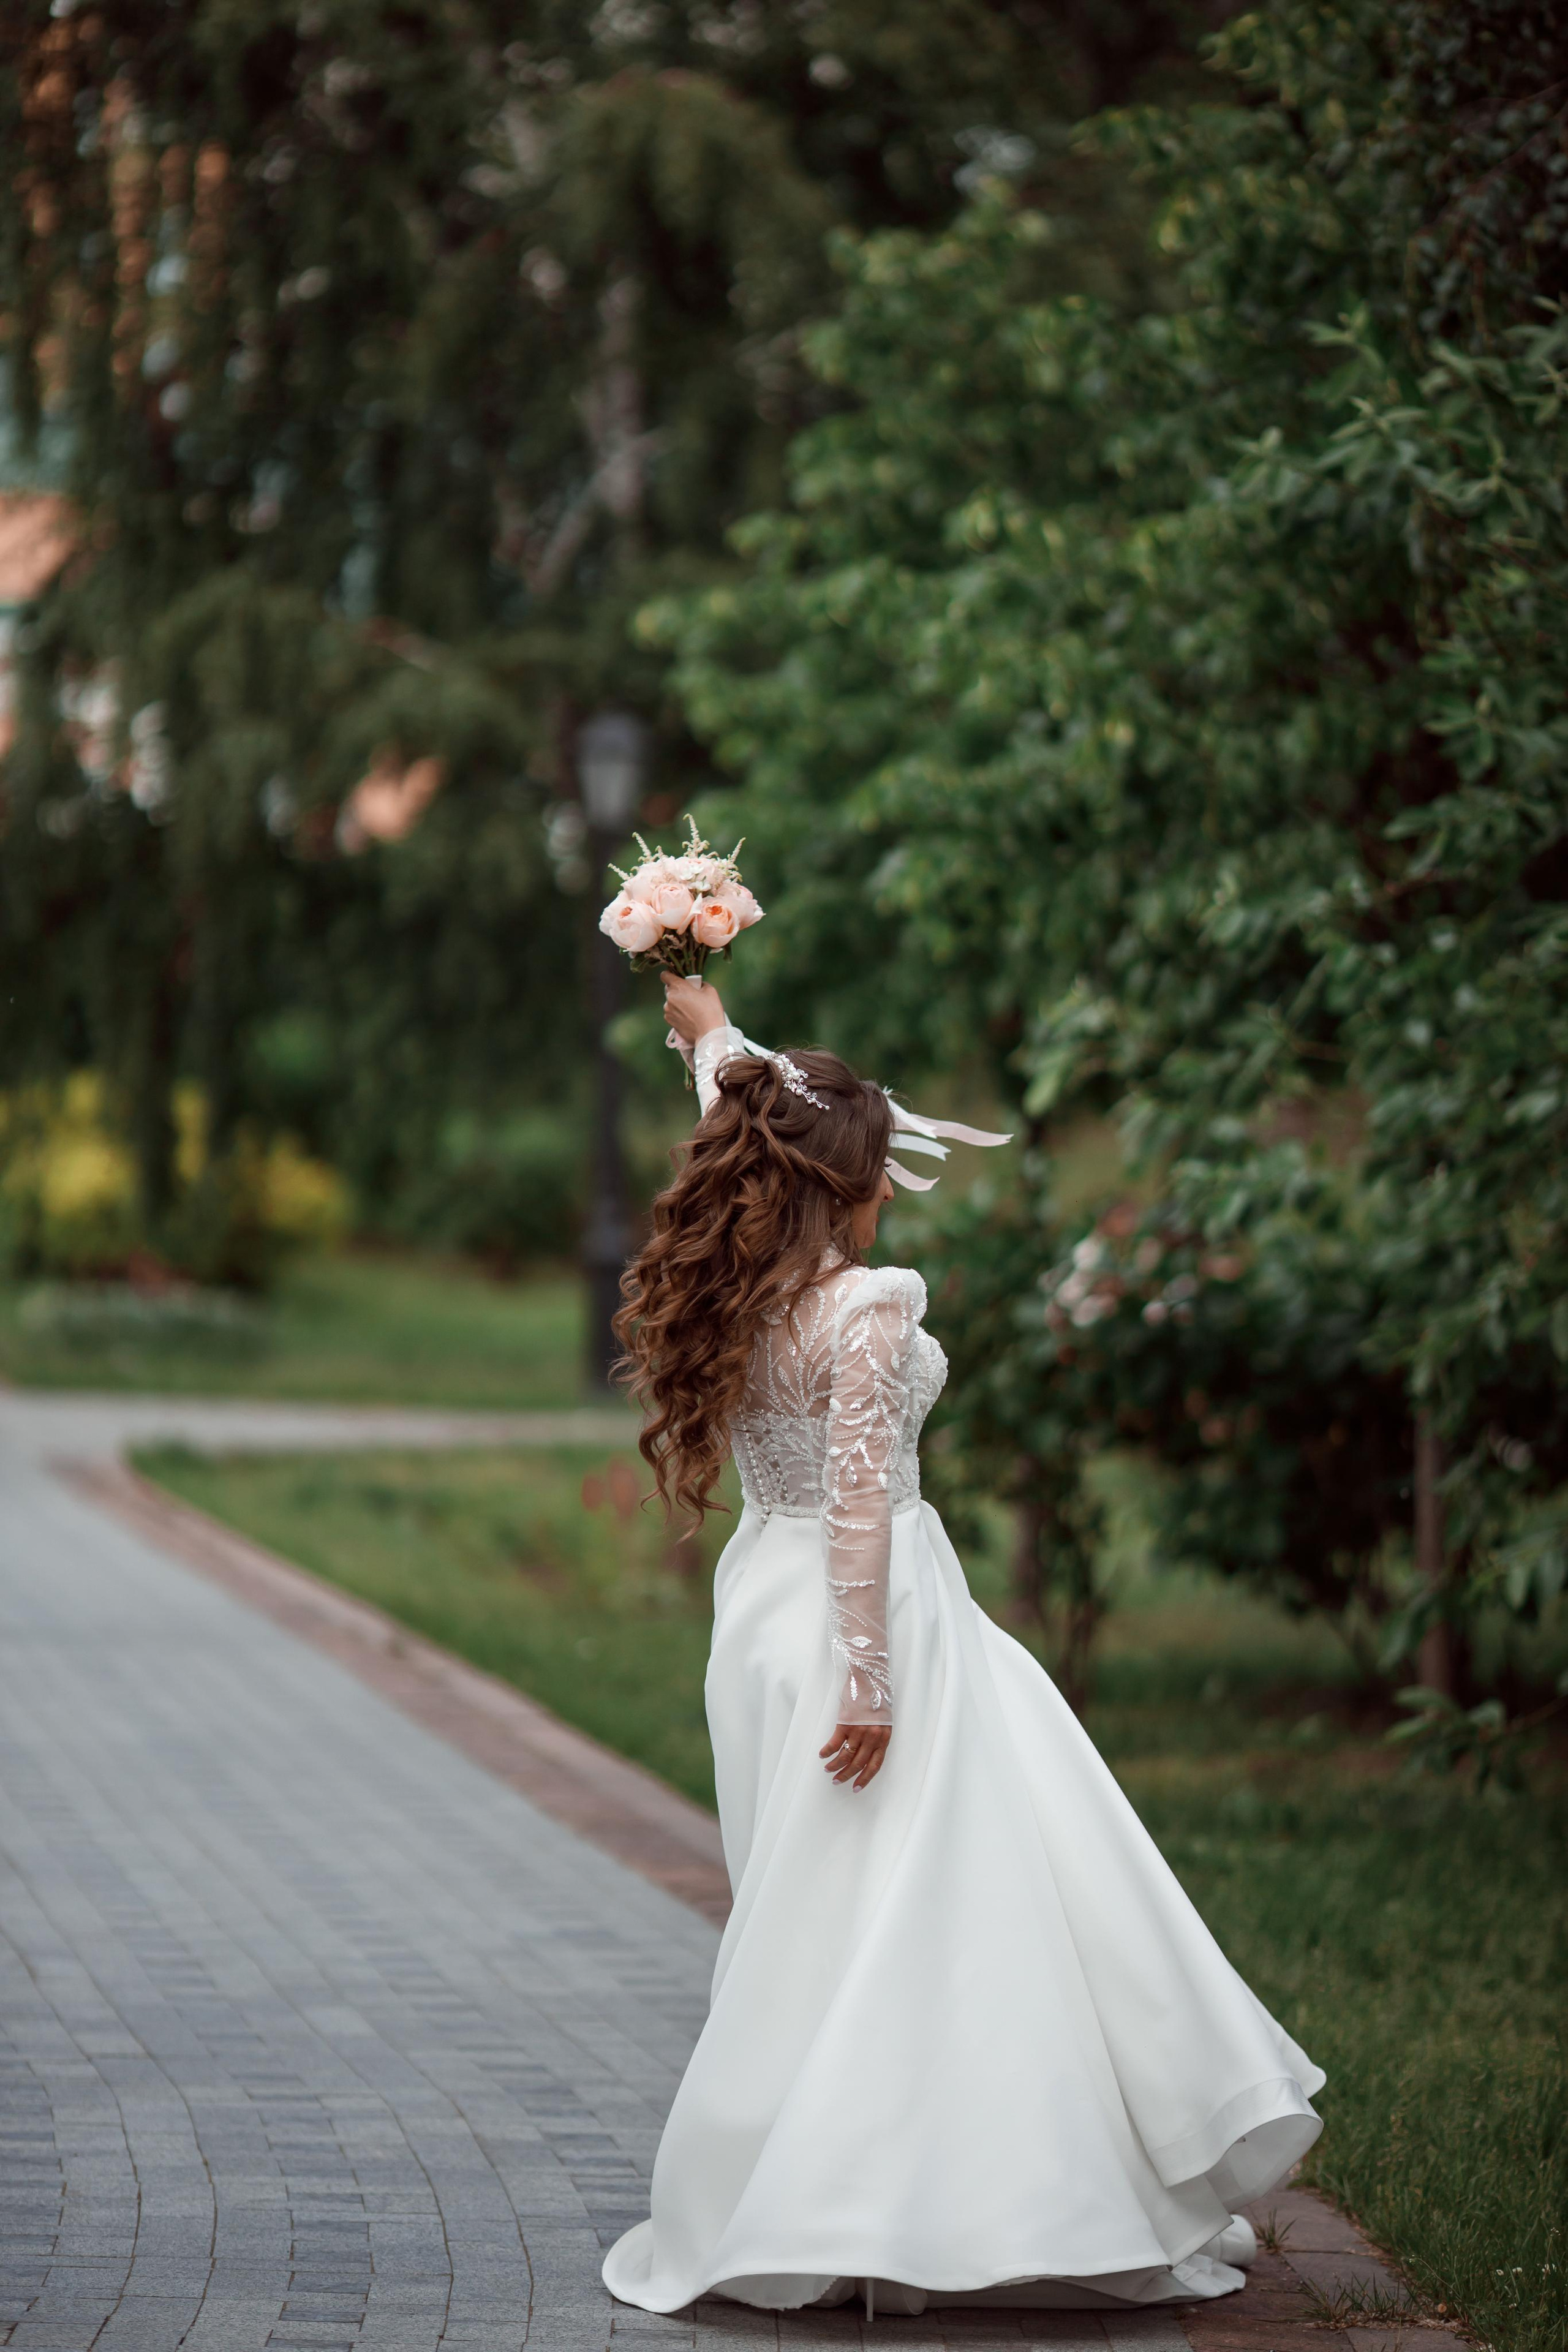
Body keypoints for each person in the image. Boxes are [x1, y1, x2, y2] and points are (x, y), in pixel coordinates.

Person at [602, 974, 1323, 2323]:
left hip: (761, 1612)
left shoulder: (739, 1286)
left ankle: (836, 2198)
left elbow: (743, 1104)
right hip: (872, 1618)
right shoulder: (868, 1306)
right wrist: (872, 1681)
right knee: (930, 1897)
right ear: (838, 1184)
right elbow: (862, 1506)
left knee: (815, 1906)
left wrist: (705, 1021)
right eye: (879, 1169)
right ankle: (930, 2200)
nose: (892, 1189)